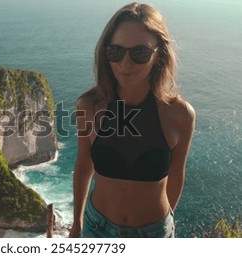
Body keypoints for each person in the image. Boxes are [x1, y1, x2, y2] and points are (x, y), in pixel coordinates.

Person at [69, 2, 195, 238]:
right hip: (97, 229)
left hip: (155, 233)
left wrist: (164, 223)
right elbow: (84, 165)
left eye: (139, 53)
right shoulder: (89, 106)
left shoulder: (180, 115)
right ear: (105, 53)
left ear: (159, 55)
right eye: (116, 52)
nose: (125, 63)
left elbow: (176, 173)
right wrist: (76, 224)